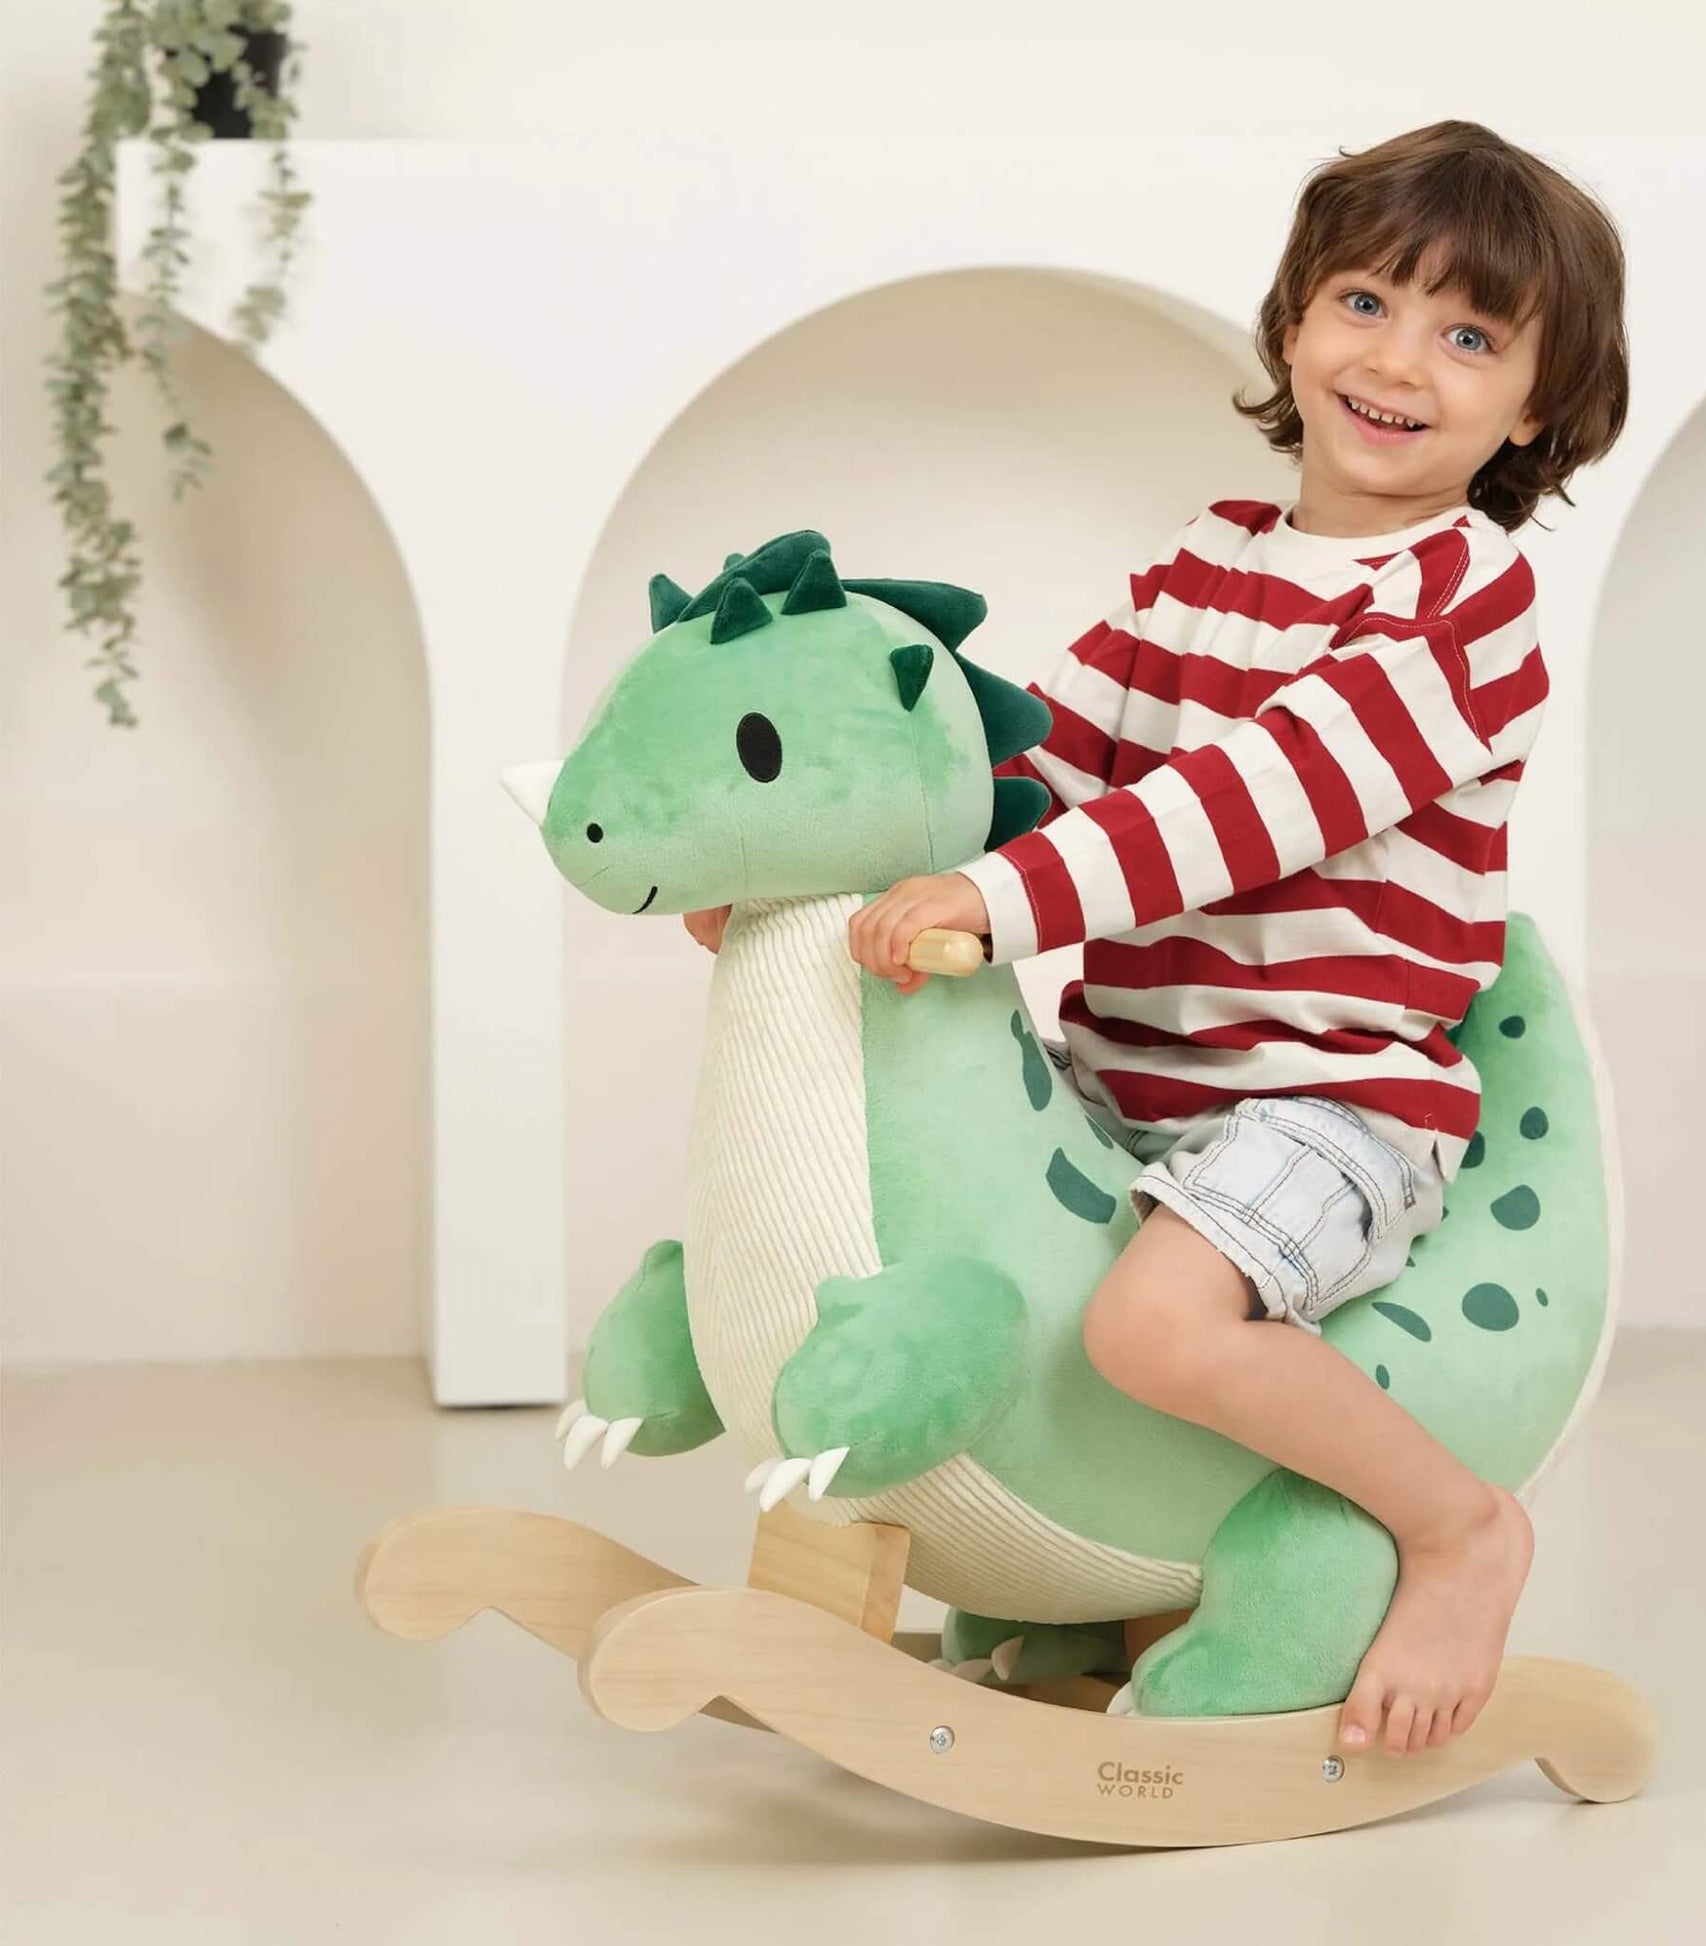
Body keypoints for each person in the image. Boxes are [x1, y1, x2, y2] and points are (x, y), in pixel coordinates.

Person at [692, 119, 1629, 1758]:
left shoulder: (1463, 606)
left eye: (1468, 335)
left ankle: (1457, 1528)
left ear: (1533, 407)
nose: (1398, 360)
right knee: (950, 1210)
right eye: (1363, 302)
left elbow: (1246, 802)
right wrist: (823, 886)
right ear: (1288, 322)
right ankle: (1078, 1574)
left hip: (1325, 1104)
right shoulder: (1202, 569)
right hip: (1131, 1079)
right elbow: (1045, 769)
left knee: (1149, 1327)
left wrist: (1000, 907)